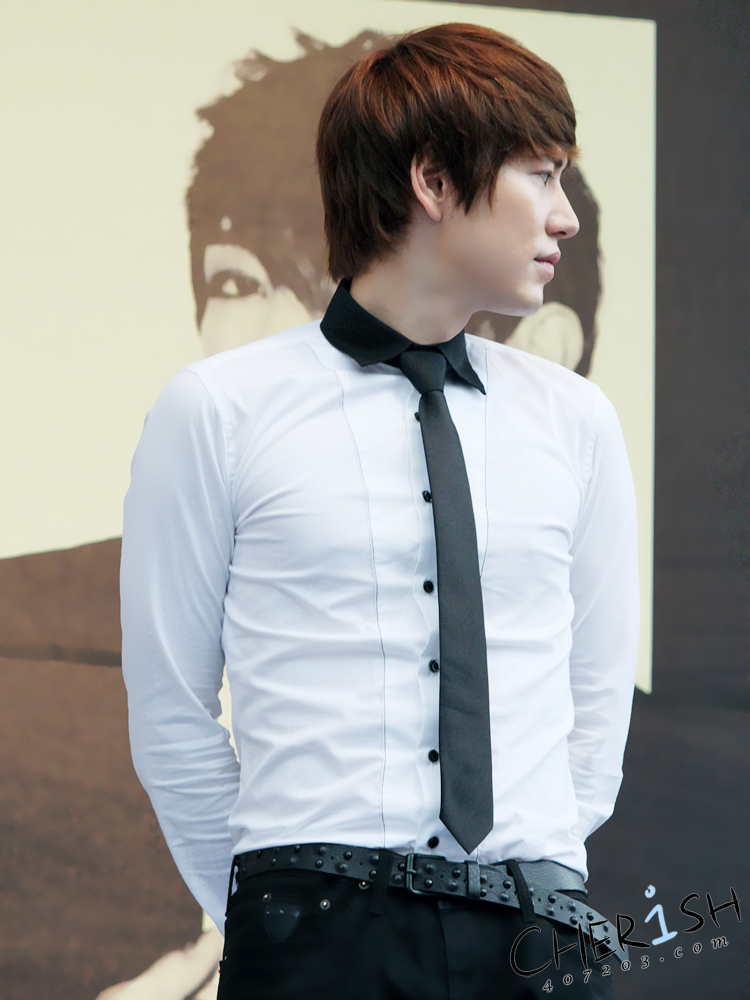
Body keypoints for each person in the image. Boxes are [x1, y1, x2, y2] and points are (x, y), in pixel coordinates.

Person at [120, 22, 639, 999]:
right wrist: (274, 912)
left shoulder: (576, 421)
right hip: (316, 933)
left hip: (534, 935)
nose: (564, 217)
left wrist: (529, 880)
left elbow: (596, 704)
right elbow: (170, 709)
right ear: (434, 181)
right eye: (540, 176)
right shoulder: (218, 410)